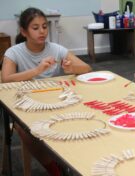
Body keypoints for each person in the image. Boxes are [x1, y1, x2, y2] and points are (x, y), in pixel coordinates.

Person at [1, 7, 92, 175]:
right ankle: (55, 168)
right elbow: (6, 79)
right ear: (24, 31)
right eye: (35, 28)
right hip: (27, 104)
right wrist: (36, 71)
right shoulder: (14, 52)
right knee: (25, 128)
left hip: (57, 101)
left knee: (84, 115)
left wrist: (72, 67)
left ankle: (76, 160)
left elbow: (86, 68)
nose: (42, 31)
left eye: (44, 26)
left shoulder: (56, 49)